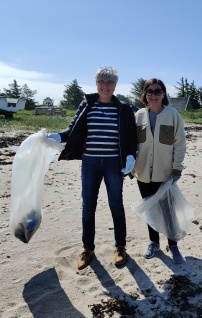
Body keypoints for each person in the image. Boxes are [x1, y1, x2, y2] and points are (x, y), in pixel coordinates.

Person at [46, 66, 137, 270]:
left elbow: (131, 136)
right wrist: (58, 136)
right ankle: (88, 249)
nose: (105, 86)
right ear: (96, 84)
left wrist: (131, 155)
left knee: (116, 204)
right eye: (101, 82)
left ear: (115, 85)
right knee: (88, 207)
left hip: (114, 163)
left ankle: (120, 247)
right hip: (90, 163)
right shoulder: (87, 104)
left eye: (109, 82)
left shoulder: (123, 108)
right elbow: (73, 128)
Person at [133, 78, 186, 264]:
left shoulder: (172, 114)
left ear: (163, 94)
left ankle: (173, 246)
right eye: (150, 92)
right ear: (145, 95)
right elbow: (132, 144)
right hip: (143, 173)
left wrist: (177, 168)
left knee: (168, 210)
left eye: (157, 91)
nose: (153, 95)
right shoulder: (139, 115)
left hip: (165, 173)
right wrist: (130, 165)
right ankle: (153, 242)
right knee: (150, 209)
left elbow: (180, 144)